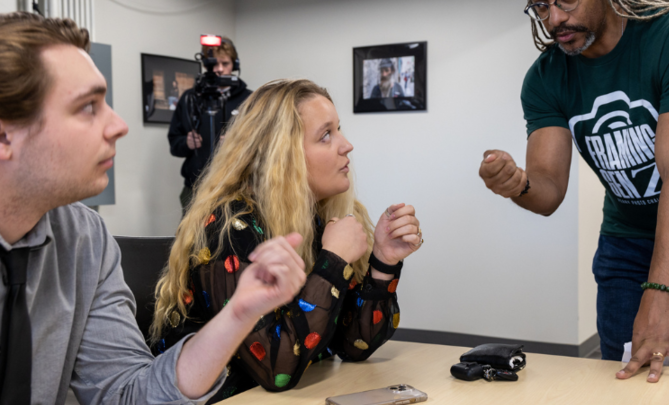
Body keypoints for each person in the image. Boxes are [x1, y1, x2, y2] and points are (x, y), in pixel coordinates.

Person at [0, 12, 306, 404]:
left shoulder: (85, 241)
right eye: (87, 107)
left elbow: (128, 393)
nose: (119, 125)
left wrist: (236, 316)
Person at [480, 0, 669, 385]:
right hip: (625, 244)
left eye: (565, 1)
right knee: (623, 379)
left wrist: (661, 291)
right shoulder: (546, 78)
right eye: (541, 6)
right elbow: (548, 191)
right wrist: (517, 184)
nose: (554, 19)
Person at [151, 79, 423, 402]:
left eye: (339, 130)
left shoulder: (315, 219)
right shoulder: (229, 227)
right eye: (326, 135)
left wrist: (383, 261)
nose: (346, 145)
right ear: (284, 155)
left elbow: (352, 343)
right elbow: (275, 368)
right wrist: (333, 261)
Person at [168, 36, 252, 215]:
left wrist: (238, 143)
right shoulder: (190, 99)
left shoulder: (250, 100)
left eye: (225, 63)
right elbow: (174, 144)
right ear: (206, 65)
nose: (219, 69)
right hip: (195, 189)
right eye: (214, 64)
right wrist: (186, 143)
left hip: (237, 189)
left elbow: (264, 144)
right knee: (191, 241)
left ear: (234, 65)